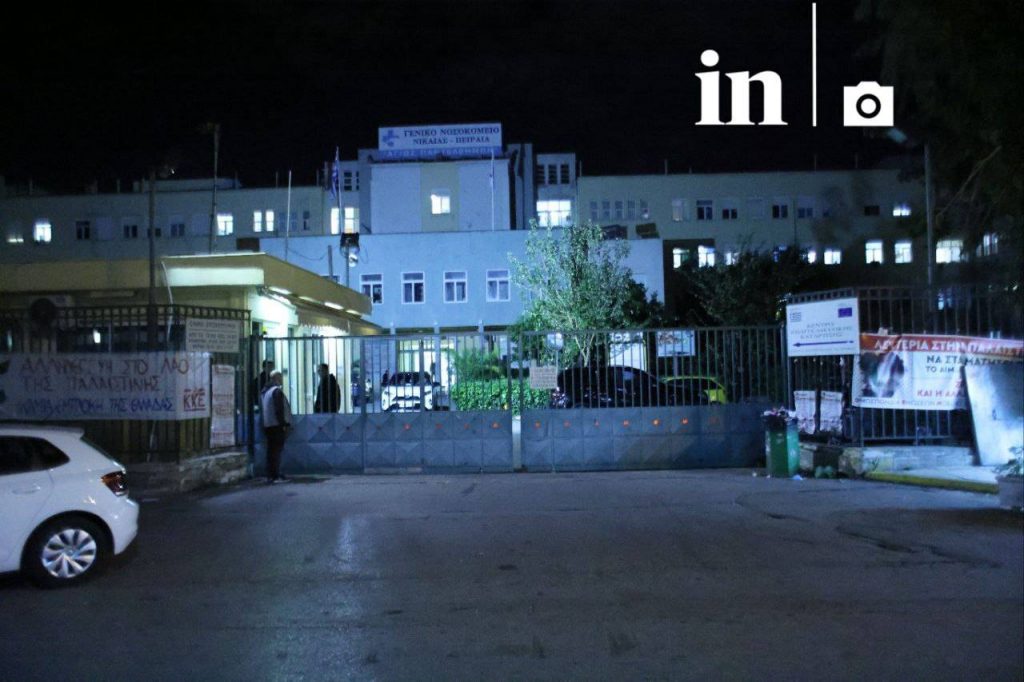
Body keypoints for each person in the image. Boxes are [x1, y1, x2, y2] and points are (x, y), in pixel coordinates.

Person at [261, 370, 292, 483]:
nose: (282, 380)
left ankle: (271, 474)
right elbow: (279, 409)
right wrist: (284, 424)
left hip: (268, 425)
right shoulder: (276, 392)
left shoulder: (266, 392)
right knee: (276, 451)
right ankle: (275, 475)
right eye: (280, 377)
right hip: (276, 425)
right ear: (276, 378)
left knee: (271, 451)